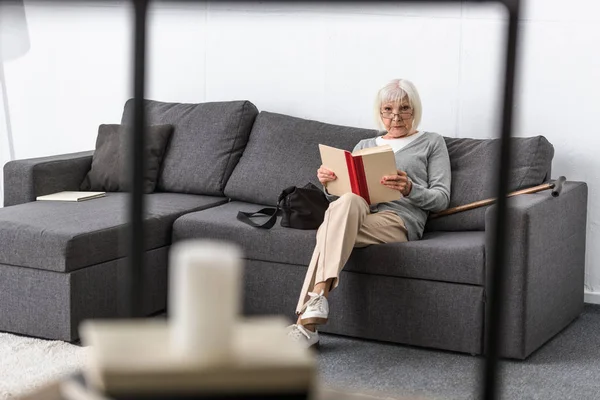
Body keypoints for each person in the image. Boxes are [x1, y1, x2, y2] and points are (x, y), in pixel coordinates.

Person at [287, 79, 451, 348]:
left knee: (327, 230)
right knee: (348, 199)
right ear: (380, 111)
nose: (395, 117)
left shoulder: (431, 143)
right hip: (359, 211)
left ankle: (307, 319)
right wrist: (330, 184)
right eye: (388, 110)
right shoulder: (365, 144)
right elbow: (345, 198)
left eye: (404, 109)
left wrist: (410, 188)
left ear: (415, 110)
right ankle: (313, 315)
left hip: (399, 219)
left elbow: (442, 198)